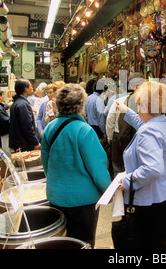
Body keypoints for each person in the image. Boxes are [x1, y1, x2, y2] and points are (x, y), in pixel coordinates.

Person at [41, 83, 111, 247]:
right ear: (81, 105)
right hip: (83, 202)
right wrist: (108, 191)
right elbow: (98, 169)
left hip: (55, 197)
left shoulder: (50, 128)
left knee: (63, 242)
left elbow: (46, 164)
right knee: (83, 243)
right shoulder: (84, 130)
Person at [113, 81, 166, 249]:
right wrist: (126, 110)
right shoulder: (164, 123)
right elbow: (145, 125)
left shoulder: (148, 131)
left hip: (153, 201)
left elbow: (152, 169)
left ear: (143, 104)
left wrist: (127, 181)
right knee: (160, 242)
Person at [106, 72, 144, 176]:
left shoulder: (119, 101)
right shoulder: (147, 102)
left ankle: (120, 189)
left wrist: (109, 137)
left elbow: (110, 120)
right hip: (141, 138)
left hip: (119, 139)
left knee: (119, 168)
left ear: (130, 85)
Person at [9, 79, 40, 152]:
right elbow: (27, 126)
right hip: (23, 144)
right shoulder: (22, 104)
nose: (32, 88)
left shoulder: (18, 102)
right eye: (30, 86)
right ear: (26, 89)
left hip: (19, 143)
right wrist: (35, 143)